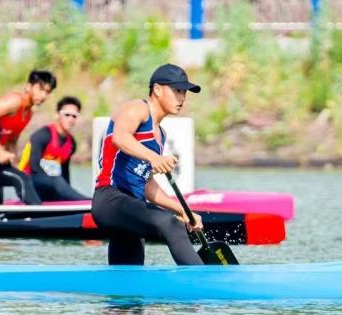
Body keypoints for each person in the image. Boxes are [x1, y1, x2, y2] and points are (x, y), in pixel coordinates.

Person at [91, 64, 204, 266]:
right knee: (171, 225)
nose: (182, 97)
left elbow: (147, 185)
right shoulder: (137, 108)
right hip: (110, 199)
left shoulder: (160, 136)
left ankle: (123, 294)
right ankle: (202, 285)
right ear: (158, 89)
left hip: (132, 207)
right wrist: (154, 158)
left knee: (128, 279)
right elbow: (120, 137)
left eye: (184, 92)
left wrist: (183, 210)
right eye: (177, 90)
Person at [0, 69, 56, 205]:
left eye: (48, 92)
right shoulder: (14, 101)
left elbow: (12, 140)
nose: (43, 95)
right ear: (28, 86)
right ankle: (41, 219)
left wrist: (15, 164)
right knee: (22, 179)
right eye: (40, 89)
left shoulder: (28, 113)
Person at [18, 96, 90, 202]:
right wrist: (54, 183)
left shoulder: (71, 144)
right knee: (56, 180)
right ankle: (88, 202)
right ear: (57, 115)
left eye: (74, 116)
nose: (70, 119)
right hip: (29, 183)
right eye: (67, 115)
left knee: (59, 182)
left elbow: (65, 172)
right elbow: (34, 167)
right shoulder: (42, 135)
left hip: (51, 186)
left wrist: (66, 193)